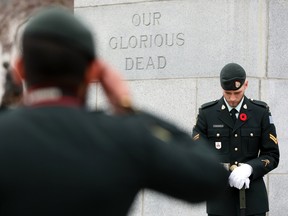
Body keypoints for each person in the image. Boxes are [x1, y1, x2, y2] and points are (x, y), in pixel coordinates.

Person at [0, 7, 229, 216]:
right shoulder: (124, 137)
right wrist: (127, 107)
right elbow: (209, 176)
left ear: (20, 69)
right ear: (93, 72)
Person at [192, 63, 280, 216]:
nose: (232, 98)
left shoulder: (260, 112)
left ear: (245, 85)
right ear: (221, 88)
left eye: (237, 92)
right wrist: (224, 169)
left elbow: (272, 155)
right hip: (219, 200)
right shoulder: (207, 113)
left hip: (254, 200)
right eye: (228, 93)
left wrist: (250, 168)